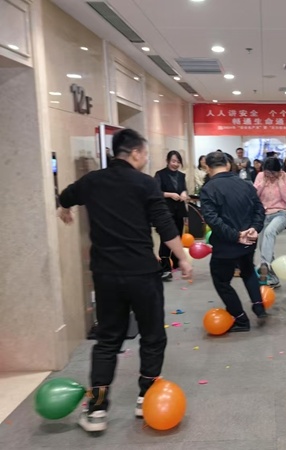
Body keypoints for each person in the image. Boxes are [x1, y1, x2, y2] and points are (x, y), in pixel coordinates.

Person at [57, 128, 193, 433]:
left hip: (106, 275)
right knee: (152, 335)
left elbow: (66, 195)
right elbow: (165, 224)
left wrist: (64, 209)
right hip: (142, 273)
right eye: (144, 153)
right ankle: (146, 396)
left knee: (107, 341)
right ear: (134, 153)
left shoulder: (92, 181)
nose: (146, 158)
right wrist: (182, 258)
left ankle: (96, 410)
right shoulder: (145, 184)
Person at [200, 151, 268, 332]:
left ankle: (241, 319)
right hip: (248, 242)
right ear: (228, 164)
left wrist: (236, 235)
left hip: (226, 245)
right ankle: (258, 306)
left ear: (207, 167)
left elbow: (213, 220)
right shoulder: (245, 184)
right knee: (248, 270)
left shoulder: (208, 188)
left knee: (221, 282)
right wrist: (254, 229)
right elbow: (260, 210)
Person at [254, 157, 286, 288]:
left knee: (270, 232)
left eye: (273, 173)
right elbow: (254, 195)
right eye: (268, 173)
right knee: (265, 247)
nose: (270, 176)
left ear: (279, 170)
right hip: (263, 215)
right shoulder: (261, 176)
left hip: (280, 214)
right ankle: (274, 278)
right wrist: (263, 182)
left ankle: (264, 264)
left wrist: (280, 181)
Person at [154, 151, 189, 281]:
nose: (175, 164)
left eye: (178, 162)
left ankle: (176, 261)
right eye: (173, 161)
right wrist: (170, 195)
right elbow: (156, 192)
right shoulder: (160, 174)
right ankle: (165, 267)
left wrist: (184, 193)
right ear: (167, 161)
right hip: (166, 210)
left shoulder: (181, 175)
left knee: (178, 236)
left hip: (179, 210)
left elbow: (183, 188)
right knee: (166, 237)